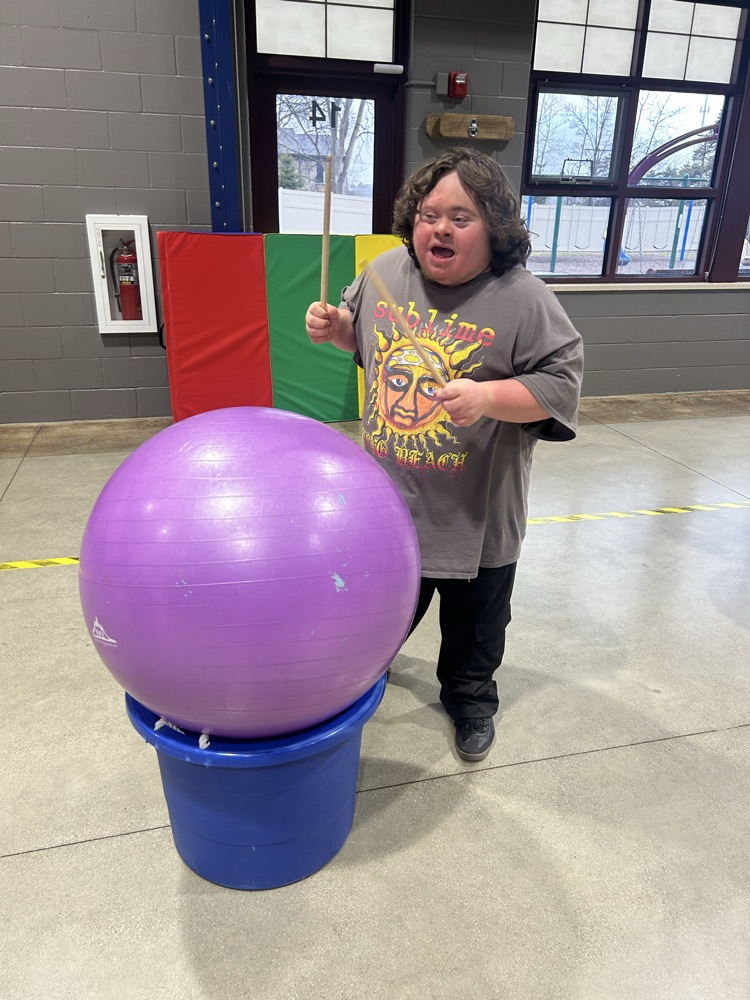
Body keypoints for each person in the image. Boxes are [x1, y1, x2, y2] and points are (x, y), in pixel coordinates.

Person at [305, 146, 583, 762]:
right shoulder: (383, 273)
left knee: (474, 634)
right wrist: (335, 329)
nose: (440, 228)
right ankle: (358, 681)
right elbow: (364, 340)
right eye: (430, 214)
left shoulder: (524, 299)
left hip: (475, 520)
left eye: (462, 217)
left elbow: (561, 387)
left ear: (495, 227)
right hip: (388, 508)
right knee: (374, 620)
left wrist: (487, 395)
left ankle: (470, 702)